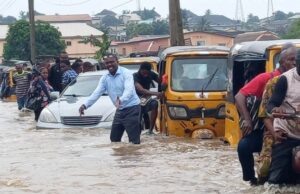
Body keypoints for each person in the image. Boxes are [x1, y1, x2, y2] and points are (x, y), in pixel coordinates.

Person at [235, 46, 297, 185]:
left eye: (296, 60)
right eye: (290, 59)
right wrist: (247, 120)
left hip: (292, 128)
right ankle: (252, 180)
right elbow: (240, 96)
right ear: (281, 62)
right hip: (267, 128)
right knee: (245, 148)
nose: (294, 63)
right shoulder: (269, 80)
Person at [79, 53, 141, 144]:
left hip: (132, 108)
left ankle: (134, 157)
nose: (109, 65)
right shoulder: (105, 78)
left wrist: (121, 100)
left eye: (112, 62)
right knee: (114, 140)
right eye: (107, 63)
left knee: (134, 141)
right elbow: (97, 93)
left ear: (117, 62)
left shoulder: (126, 73)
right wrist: (85, 105)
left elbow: (129, 90)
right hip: (119, 110)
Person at [256, 49, 296, 183]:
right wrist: (274, 133)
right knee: (267, 170)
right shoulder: (277, 81)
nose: (293, 63)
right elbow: (266, 112)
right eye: (291, 60)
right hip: (281, 130)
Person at [266, 48, 300, 184]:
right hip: (287, 134)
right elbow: (272, 103)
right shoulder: (284, 79)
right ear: (297, 63)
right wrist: (276, 109)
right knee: (276, 180)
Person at [133, 62, 161, 134]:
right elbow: (141, 90)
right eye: (144, 73)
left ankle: (150, 131)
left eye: (147, 74)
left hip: (146, 99)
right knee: (137, 119)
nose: (146, 75)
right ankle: (136, 133)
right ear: (140, 70)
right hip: (135, 99)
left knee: (154, 103)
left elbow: (160, 81)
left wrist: (163, 86)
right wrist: (156, 93)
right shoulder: (135, 76)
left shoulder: (151, 74)